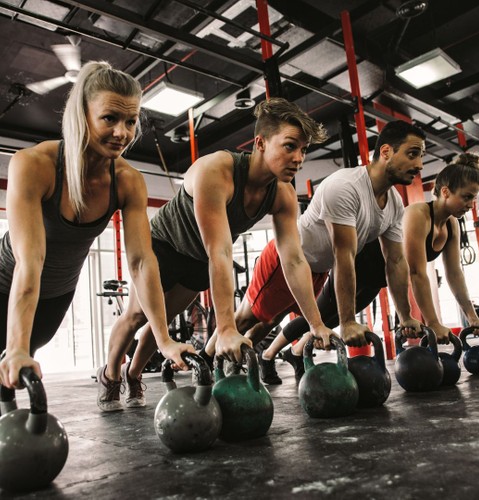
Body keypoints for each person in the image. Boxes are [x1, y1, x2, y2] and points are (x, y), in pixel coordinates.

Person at [102, 97, 333, 408]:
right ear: (260, 143)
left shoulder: (283, 195)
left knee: (167, 318)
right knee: (136, 316)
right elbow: (220, 251)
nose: (299, 158)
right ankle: (111, 375)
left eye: (303, 150)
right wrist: (224, 328)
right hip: (164, 246)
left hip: (198, 261)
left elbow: (293, 260)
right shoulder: (217, 170)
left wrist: (315, 323)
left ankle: (134, 375)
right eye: (290, 146)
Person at [0, 61, 194, 400]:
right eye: (110, 118)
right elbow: (30, 261)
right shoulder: (34, 165)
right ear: (82, 115)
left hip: (56, 296)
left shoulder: (128, 181)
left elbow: (141, 262)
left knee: (13, 376)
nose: (122, 132)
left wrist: (163, 339)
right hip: (8, 285)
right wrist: (15, 346)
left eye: (131, 121)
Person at [209, 120, 427, 384]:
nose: (419, 165)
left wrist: (405, 315)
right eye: (412, 154)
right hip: (286, 259)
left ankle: (231, 366)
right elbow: (344, 255)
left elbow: (395, 261)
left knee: (270, 321)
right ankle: (207, 363)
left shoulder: (394, 205)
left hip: (316, 271)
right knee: (247, 318)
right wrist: (347, 322)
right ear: (386, 152)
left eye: (421, 156)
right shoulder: (346, 186)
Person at [402, 152, 479, 343]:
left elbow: (455, 273)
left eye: (473, 199)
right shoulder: (418, 214)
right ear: (445, 192)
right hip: (361, 274)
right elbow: (416, 272)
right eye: (467, 197)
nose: (471, 205)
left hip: (379, 282)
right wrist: (433, 322)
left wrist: (472, 317)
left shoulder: (451, 224)